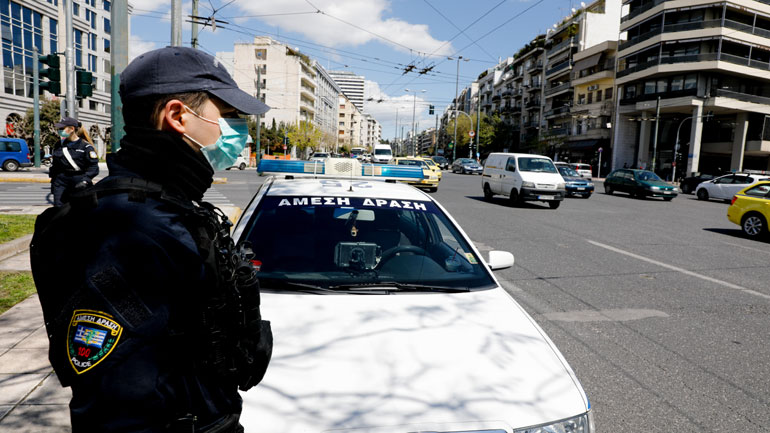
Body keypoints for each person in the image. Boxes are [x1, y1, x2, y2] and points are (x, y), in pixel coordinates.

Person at [30, 46, 273, 432]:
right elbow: (120, 403)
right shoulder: (132, 228)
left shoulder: (167, 210)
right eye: (227, 116)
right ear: (178, 115)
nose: (237, 130)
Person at [50, 117, 99, 206]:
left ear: (72, 129)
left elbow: (93, 167)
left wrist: (85, 181)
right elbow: (55, 166)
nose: (60, 131)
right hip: (61, 181)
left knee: (80, 209)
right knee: (59, 209)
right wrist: (54, 183)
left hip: (79, 181)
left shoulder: (86, 147)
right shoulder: (58, 145)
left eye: (62, 128)